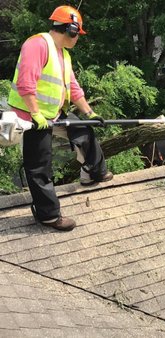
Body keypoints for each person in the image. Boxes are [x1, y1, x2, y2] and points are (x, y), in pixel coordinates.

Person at [7, 5, 113, 231]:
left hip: (53, 112)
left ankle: (93, 172)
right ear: (71, 30)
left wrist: (89, 113)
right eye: (78, 34)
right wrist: (35, 114)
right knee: (39, 165)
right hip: (30, 114)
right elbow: (26, 83)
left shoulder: (63, 55)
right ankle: (48, 215)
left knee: (83, 129)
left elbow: (73, 88)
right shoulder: (37, 44)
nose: (78, 39)